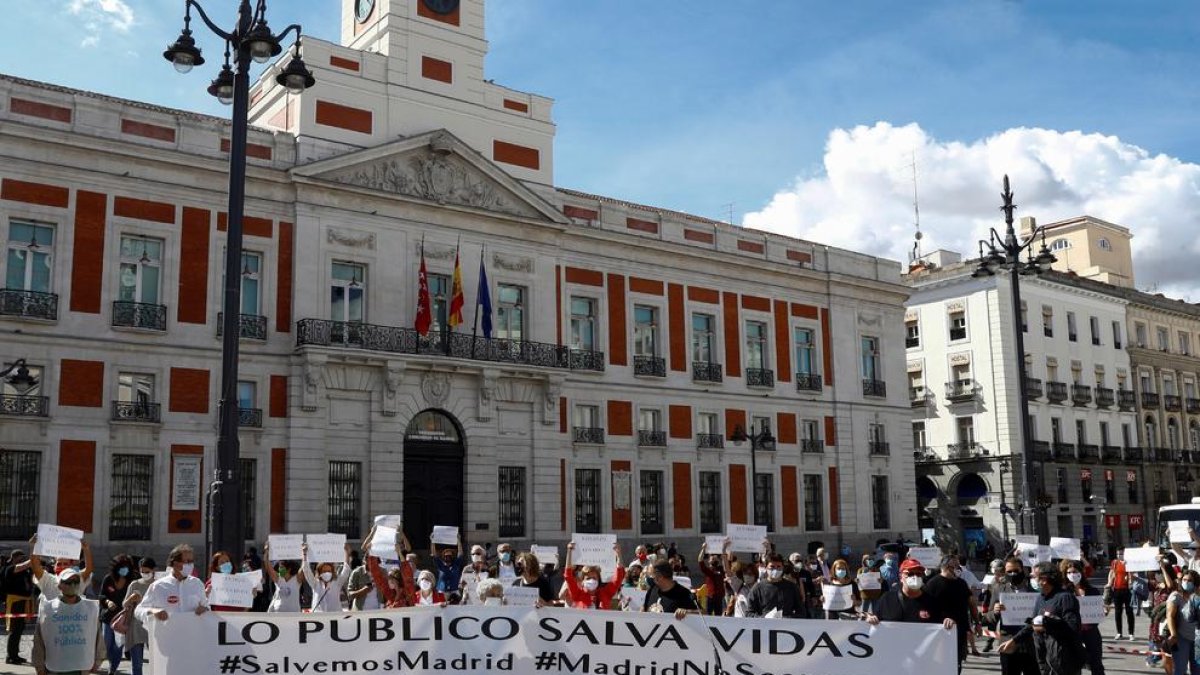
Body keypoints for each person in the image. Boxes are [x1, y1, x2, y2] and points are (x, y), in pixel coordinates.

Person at [999, 562, 1083, 675]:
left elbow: (1073, 628)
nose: (1031, 579)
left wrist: (1047, 624)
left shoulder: (1065, 598)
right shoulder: (1041, 598)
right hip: (1045, 658)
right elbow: (1032, 623)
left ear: (1044, 579)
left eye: (1034, 576)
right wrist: (1014, 640)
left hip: (1064, 660)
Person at [31, 567, 102, 675]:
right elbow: (39, 639)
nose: (72, 585)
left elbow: (97, 636)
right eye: (68, 582)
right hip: (55, 667)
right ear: (59, 585)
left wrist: (98, 660)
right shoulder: (48, 608)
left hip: (80, 666)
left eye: (75, 582)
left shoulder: (89, 608)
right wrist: (39, 665)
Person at [985, 557, 1039, 675]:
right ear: (1005, 572)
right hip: (1008, 644)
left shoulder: (1034, 588)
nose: (1013, 574)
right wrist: (995, 612)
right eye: (1009, 571)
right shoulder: (999, 589)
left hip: (1032, 644)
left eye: (1016, 570)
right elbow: (988, 617)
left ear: (1022, 571)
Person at [867, 559, 955, 630]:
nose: (915, 577)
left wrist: (948, 621)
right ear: (901, 577)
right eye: (910, 573)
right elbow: (875, 618)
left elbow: (943, 622)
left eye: (919, 574)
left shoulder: (932, 602)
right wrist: (871, 619)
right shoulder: (887, 599)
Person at [924, 555, 975, 673]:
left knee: (957, 664)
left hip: (960, 631)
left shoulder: (962, 583)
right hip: (941, 632)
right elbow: (925, 607)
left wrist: (976, 623)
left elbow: (971, 603)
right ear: (946, 567)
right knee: (941, 664)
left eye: (959, 566)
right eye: (955, 566)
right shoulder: (933, 584)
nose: (958, 568)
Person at [136, 544, 209, 624]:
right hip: (166, 635)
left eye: (192, 561)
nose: (191, 565)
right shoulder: (158, 586)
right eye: (187, 561)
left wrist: (205, 609)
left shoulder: (197, 584)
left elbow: (207, 607)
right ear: (175, 563)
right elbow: (139, 610)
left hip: (191, 634)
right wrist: (153, 611)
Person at [1062, 559, 1104, 675]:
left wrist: (1103, 611)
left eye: (1075, 572)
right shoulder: (1064, 592)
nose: (1072, 575)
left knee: (1096, 663)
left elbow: (1098, 613)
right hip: (1073, 633)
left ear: (1081, 572)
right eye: (1069, 573)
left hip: (1091, 631)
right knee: (1074, 664)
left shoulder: (1093, 591)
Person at [99, 554, 135, 674]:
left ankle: (113, 669)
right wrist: (107, 602)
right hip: (108, 617)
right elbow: (101, 595)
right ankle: (111, 662)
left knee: (118, 646)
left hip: (123, 618)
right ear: (115, 567)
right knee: (107, 644)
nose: (124, 569)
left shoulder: (132, 581)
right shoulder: (108, 579)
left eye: (127, 567)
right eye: (121, 566)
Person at [562, 540, 624, 609]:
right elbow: (568, 577)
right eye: (588, 578)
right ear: (582, 581)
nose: (591, 580)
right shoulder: (577, 593)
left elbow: (618, 578)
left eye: (594, 578)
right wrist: (569, 552)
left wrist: (618, 554)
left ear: (598, 580)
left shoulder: (606, 593)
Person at [29, 536, 94, 601]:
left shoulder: (77, 579)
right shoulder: (47, 580)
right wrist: (35, 546)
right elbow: (35, 566)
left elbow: (88, 569)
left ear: (71, 567)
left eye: (65, 564)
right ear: (54, 567)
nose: (62, 567)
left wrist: (86, 549)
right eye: (59, 564)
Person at [121, 557, 157, 675]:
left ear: (153, 570)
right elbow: (124, 605)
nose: (144, 574)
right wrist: (131, 599)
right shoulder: (134, 584)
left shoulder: (159, 584)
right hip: (135, 628)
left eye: (147, 572)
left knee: (156, 663)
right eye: (142, 571)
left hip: (153, 628)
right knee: (136, 665)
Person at [746, 554, 804, 618]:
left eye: (778, 567)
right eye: (772, 567)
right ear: (766, 567)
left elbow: (801, 612)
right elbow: (749, 613)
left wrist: (787, 618)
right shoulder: (757, 588)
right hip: (765, 626)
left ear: (783, 568)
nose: (775, 570)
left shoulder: (792, 587)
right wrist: (764, 618)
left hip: (786, 626)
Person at [1165, 570, 1200, 675]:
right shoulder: (1176, 596)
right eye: (1184, 580)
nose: (1186, 582)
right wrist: (1173, 634)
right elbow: (1170, 615)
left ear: (1195, 583)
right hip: (1181, 638)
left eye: (1190, 580)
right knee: (1180, 671)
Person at [301, 541, 352, 612]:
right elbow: (306, 570)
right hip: (318, 616)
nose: (327, 573)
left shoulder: (337, 582)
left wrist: (346, 553)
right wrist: (304, 554)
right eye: (324, 571)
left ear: (332, 572)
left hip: (335, 616)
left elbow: (346, 570)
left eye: (329, 571)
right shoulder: (315, 583)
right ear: (319, 573)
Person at [2, 548, 32, 666]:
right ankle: (10, 656)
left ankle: (15, 655)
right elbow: (27, 564)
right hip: (15, 602)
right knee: (14, 629)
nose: (22, 559)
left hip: (23, 602)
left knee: (20, 629)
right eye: (21, 557)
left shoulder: (24, 571)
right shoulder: (10, 569)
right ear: (15, 557)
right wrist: (34, 552)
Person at [262, 541, 305, 613]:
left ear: (289, 569)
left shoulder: (297, 579)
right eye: (279, 567)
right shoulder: (278, 579)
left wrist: (304, 553)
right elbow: (267, 566)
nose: (279, 569)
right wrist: (266, 551)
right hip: (277, 614)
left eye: (282, 567)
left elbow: (304, 567)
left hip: (294, 615)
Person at [1107, 548, 1134, 639]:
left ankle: (1131, 633)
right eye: (1118, 554)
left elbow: (1133, 575)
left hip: (1127, 590)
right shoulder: (1114, 562)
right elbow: (1111, 573)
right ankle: (1119, 632)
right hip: (1116, 590)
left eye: (1121, 554)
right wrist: (1109, 583)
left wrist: (1130, 579)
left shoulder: (1129, 563)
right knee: (1118, 612)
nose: (1119, 556)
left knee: (1129, 612)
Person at [697, 540, 726, 616]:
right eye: (711, 557)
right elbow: (700, 560)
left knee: (718, 616)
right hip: (710, 597)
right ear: (709, 561)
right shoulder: (708, 571)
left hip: (719, 598)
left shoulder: (721, 569)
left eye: (715, 556)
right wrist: (703, 549)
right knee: (708, 615)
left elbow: (726, 561)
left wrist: (724, 548)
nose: (714, 557)